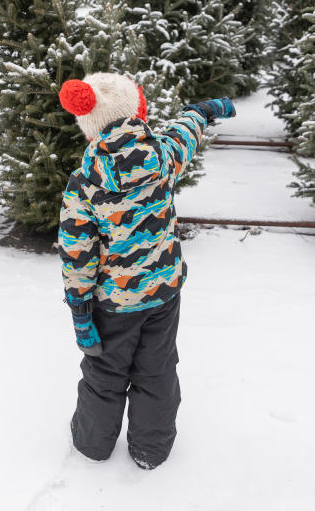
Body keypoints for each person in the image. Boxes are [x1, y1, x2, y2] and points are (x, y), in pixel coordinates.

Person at [56, 72, 235, 470]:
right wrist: (203, 111)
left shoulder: (85, 183)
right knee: (157, 370)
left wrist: (80, 309)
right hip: (164, 293)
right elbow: (184, 130)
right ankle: (150, 449)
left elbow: (77, 253)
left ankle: (92, 444)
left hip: (114, 304)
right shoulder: (163, 155)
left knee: (104, 371)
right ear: (136, 112)